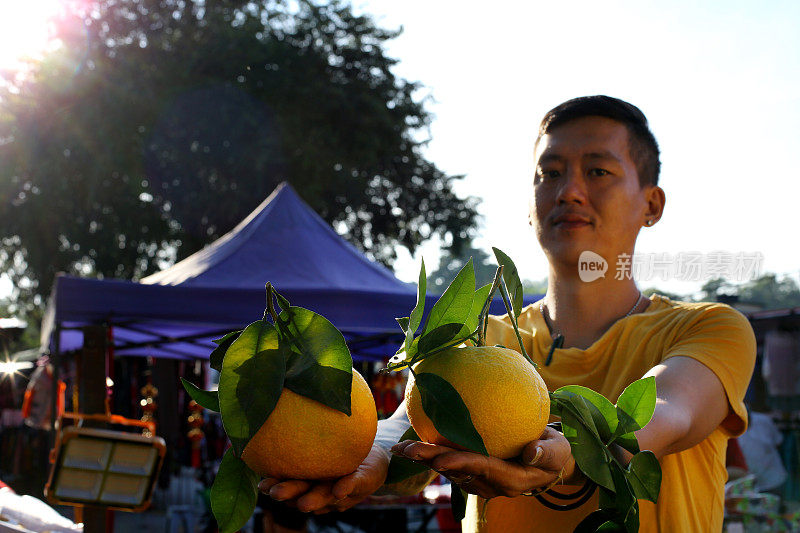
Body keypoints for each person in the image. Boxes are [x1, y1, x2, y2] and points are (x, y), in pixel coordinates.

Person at [257, 96, 757, 532]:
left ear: (652, 204)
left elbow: (668, 411)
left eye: (598, 171)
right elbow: (406, 421)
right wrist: (373, 454)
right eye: (550, 173)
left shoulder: (708, 327)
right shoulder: (479, 340)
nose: (568, 191)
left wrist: (570, 453)